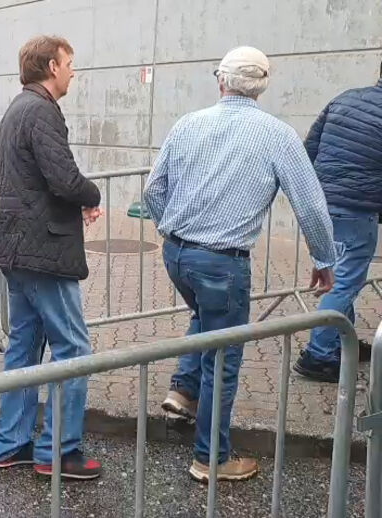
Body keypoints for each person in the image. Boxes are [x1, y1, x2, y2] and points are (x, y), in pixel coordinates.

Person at [144, 46, 337, 482]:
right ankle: (210, 458)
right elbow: (310, 205)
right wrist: (324, 259)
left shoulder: (188, 124)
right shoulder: (277, 135)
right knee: (224, 359)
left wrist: (170, 230)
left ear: (221, 81)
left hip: (177, 254)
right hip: (223, 263)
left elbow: (154, 190)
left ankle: (183, 389)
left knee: (205, 316)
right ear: (262, 86)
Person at [0, 35, 103, 481]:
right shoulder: (41, 111)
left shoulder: (19, 108)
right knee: (73, 348)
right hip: (43, 249)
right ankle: (58, 450)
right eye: (70, 63)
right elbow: (64, 178)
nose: (73, 71)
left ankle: (12, 443)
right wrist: (91, 196)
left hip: (19, 247)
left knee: (24, 346)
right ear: (52, 66)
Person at [294, 63, 382, 382]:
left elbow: (310, 148)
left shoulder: (345, 99)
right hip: (356, 210)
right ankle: (319, 355)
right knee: (344, 281)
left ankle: (342, 342)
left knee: (339, 272)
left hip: (323, 205)